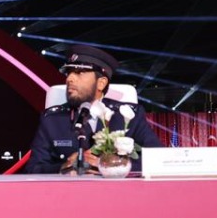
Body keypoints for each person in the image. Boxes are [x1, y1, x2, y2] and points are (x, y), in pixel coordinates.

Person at [26, 44, 161, 174]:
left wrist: (109, 166)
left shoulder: (130, 116)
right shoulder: (52, 119)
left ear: (101, 83)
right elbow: (34, 168)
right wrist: (64, 166)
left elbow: (158, 159)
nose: (70, 79)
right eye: (69, 72)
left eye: (80, 72)